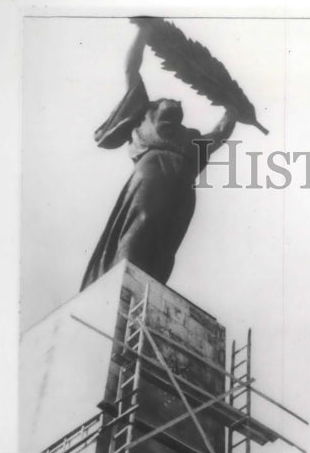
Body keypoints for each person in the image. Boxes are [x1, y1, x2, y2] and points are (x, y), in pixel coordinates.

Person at [81, 27, 237, 290]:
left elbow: (220, 133)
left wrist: (233, 109)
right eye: (168, 99)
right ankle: (125, 284)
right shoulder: (144, 116)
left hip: (183, 191)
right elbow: (131, 69)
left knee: (166, 246)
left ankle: (146, 290)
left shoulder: (192, 139)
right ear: (155, 106)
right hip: (153, 177)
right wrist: (143, 30)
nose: (176, 101)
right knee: (142, 227)